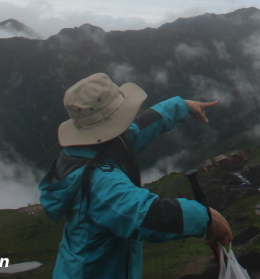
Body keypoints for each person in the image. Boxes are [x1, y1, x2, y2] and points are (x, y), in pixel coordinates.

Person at [39, 73, 232, 279]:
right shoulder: (99, 180)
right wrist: (205, 218)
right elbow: (144, 214)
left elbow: (137, 130)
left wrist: (181, 107)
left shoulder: (88, 151)